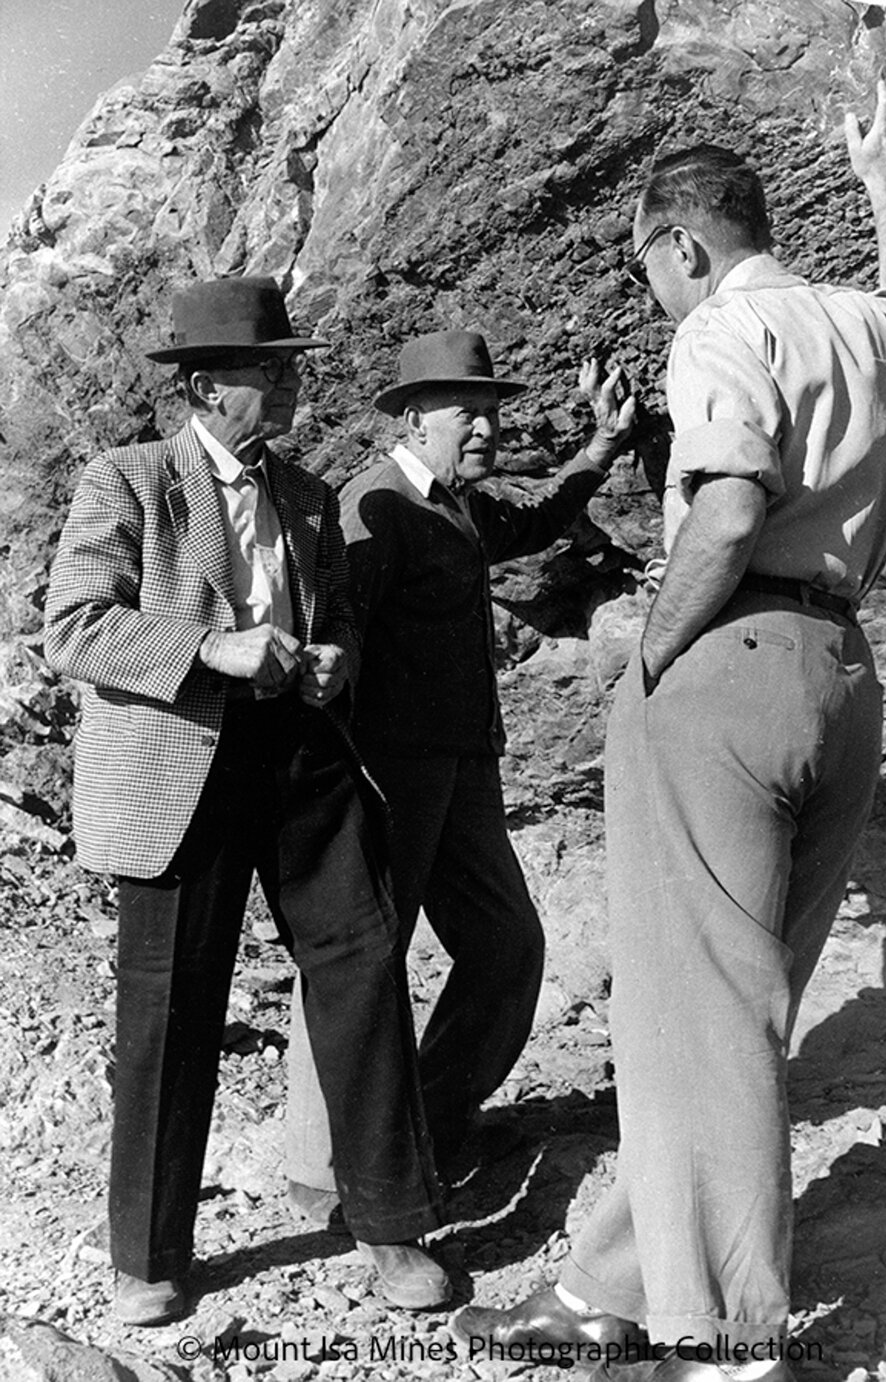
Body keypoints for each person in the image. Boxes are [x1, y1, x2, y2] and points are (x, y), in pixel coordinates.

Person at [449, 79, 886, 1382]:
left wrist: (648, 651)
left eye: (652, 270)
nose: (659, 294)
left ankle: (720, 1341)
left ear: (683, 243)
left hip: (721, 667)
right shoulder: (857, 322)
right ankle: (612, 1282)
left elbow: (724, 514)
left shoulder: (722, 328)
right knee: (732, 1013)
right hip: (843, 672)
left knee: (688, 1019)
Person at [43, 276, 449, 1326]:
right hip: (179, 764)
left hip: (303, 756)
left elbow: (347, 613)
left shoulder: (309, 496)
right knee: (171, 1005)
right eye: (268, 367)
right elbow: (75, 626)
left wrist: (332, 659)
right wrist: (208, 647)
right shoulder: (126, 480)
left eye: (288, 364)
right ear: (206, 386)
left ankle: (392, 1223)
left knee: (362, 966)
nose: (289, 381)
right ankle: (147, 1255)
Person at [283, 328, 635, 1216]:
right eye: (464, 412)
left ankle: (431, 1125)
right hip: (390, 778)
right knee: (362, 963)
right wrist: (346, 778)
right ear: (411, 416)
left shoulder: (454, 503)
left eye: (490, 411)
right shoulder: (375, 505)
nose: (484, 428)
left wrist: (598, 451)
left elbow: (530, 522)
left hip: (463, 772)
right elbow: (337, 637)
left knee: (506, 946)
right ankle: (322, 1173)